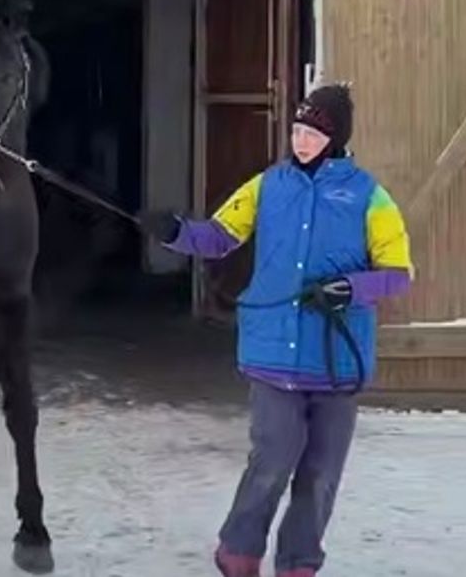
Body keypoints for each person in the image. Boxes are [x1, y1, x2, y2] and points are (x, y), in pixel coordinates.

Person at [142, 83, 413, 577]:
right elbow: (218, 237)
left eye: (313, 134)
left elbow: (397, 274)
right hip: (273, 353)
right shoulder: (267, 186)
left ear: (336, 139)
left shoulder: (369, 197)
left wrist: (351, 289)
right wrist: (176, 231)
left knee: (321, 474)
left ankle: (299, 564)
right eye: (297, 131)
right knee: (273, 458)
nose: (301, 142)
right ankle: (238, 552)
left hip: (336, 358)